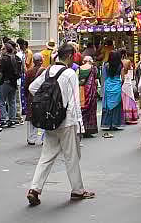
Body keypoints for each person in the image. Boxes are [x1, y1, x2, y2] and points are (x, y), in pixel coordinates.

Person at [26, 42, 95, 205]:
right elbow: (75, 101)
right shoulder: (70, 73)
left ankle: (34, 189)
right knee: (71, 157)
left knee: (46, 156)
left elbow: (32, 88)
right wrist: (80, 125)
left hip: (50, 120)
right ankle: (77, 190)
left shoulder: (48, 70)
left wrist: (49, 103)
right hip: (67, 120)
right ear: (70, 56)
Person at [23, 54, 45, 145]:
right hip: (43, 97)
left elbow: (26, 86)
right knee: (44, 117)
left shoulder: (29, 72)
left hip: (31, 96)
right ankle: (44, 138)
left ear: (33, 61)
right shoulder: (45, 71)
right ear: (41, 61)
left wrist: (27, 95)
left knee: (32, 118)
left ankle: (31, 138)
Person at [100, 50, 123, 136]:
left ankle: (107, 123)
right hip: (117, 86)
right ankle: (115, 123)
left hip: (108, 85)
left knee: (108, 105)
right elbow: (122, 77)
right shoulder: (120, 66)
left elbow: (104, 77)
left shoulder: (106, 65)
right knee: (116, 106)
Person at [0, 42, 20, 127]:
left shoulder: (4, 59)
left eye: (3, 48)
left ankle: (3, 119)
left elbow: (0, 73)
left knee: (1, 101)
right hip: (14, 82)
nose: (1, 50)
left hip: (5, 81)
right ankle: (12, 119)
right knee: (12, 101)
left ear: (7, 50)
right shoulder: (17, 58)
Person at [77, 56, 99, 138]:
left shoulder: (79, 68)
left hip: (81, 91)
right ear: (90, 61)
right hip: (90, 91)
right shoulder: (94, 69)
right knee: (91, 110)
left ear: (84, 61)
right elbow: (96, 81)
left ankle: (81, 129)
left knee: (82, 109)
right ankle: (89, 129)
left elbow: (77, 79)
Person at [120, 49, 139, 124]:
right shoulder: (127, 61)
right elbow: (130, 70)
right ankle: (130, 116)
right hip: (127, 80)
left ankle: (123, 116)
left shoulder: (119, 62)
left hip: (122, 80)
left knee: (123, 98)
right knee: (130, 97)